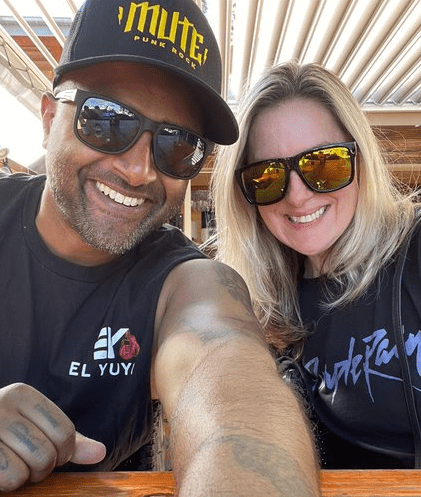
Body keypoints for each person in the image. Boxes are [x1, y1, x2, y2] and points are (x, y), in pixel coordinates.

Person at [0, 1, 321, 494]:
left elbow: (233, 391)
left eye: (178, 144)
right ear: (48, 119)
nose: (139, 170)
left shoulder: (186, 280)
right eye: (106, 120)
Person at [211, 60, 421, 470]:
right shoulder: (262, 312)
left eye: (324, 164)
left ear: (360, 161)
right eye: (267, 176)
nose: (297, 196)